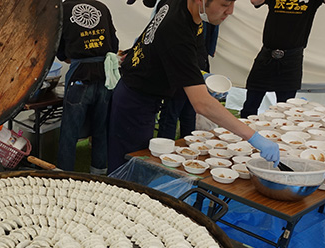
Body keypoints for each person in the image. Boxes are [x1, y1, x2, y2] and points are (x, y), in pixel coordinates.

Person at [108, 0, 279, 174]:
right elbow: (202, 103)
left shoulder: (188, 8)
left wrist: (200, 75)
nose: (230, 11)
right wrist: (253, 137)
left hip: (143, 90)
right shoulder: (177, 31)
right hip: (135, 99)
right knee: (126, 168)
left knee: (136, 162)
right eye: (224, 4)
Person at [240, 0, 325, 119]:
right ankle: (243, 133)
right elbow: (255, 2)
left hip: (292, 58)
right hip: (267, 55)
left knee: (285, 109)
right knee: (250, 104)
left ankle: (280, 135)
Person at [56, 0, 120, 175]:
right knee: (101, 127)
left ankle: (64, 174)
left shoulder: (61, 10)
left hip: (80, 75)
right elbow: (114, 44)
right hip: (104, 74)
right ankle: (99, 172)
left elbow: (58, 49)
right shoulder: (102, 7)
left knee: (70, 131)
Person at [156, 23, 217, 140]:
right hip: (192, 67)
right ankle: (181, 145)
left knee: (175, 113)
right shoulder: (193, 16)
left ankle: (177, 146)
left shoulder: (188, 18)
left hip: (186, 69)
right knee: (183, 112)